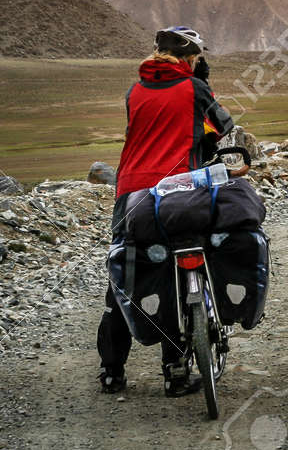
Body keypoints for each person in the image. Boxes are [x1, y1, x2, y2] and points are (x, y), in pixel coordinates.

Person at [97, 25, 235, 395]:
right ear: (191, 59)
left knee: (125, 273)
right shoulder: (194, 88)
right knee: (179, 267)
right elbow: (224, 127)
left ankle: (112, 370)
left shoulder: (135, 90)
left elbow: (147, 130)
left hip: (130, 192)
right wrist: (206, 91)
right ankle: (175, 371)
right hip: (177, 190)